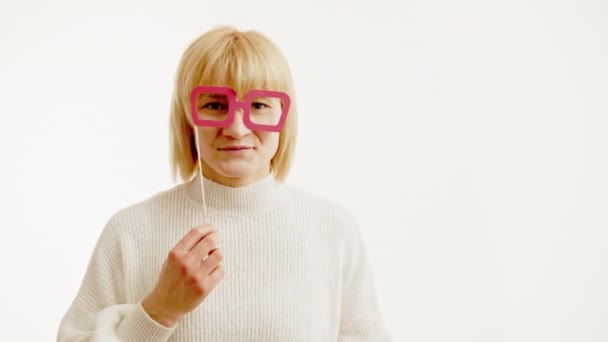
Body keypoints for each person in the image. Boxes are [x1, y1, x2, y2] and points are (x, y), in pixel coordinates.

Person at [57, 25, 392, 341]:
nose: (236, 128)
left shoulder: (332, 229)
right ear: (188, 120)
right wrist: (158, 311)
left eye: (259, 105)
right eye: (215, 105)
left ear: (283, 118)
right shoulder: (129, 231)